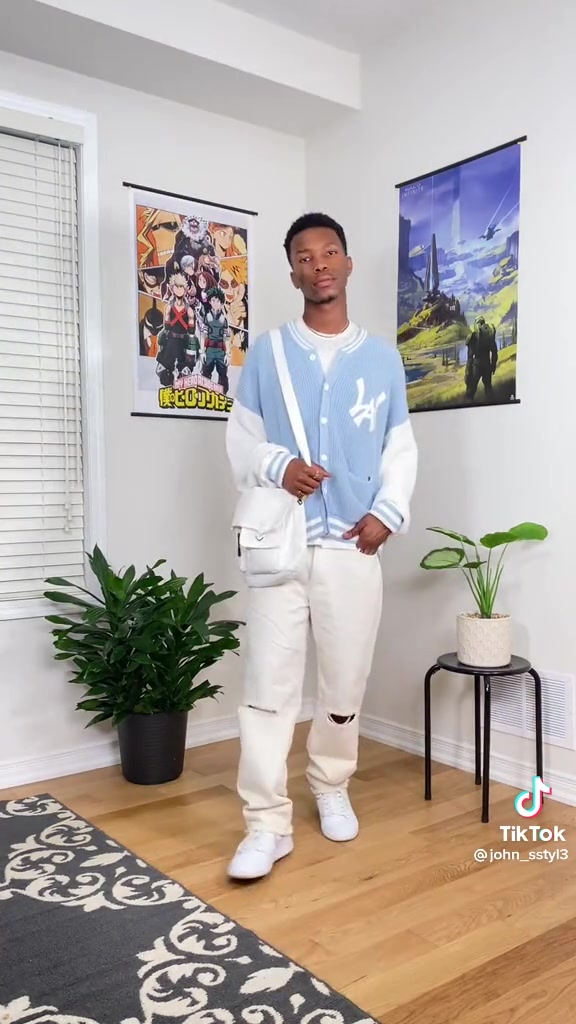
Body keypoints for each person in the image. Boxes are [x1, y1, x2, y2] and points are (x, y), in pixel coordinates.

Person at [224, 213, 418, 881]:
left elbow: (399, 447)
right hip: (281, 548)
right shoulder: (269, 353)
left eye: (329, 252)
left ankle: (331, 784)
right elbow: (241, 439)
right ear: (293, 274)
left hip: (352, 547)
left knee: (344, 680)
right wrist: (279, 466)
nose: (319, 265)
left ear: (347, 262)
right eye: (305, 257)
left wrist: (387, 513)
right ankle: (265, 823)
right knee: (267, 689)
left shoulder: (382, 359)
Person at [465, 316, 498, 401]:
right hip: (486, 365)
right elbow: (494, 352)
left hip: (477, 366)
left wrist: (468, 371)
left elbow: (470, 357)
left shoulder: (472, 336)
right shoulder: (489, 335)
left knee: (471, 389)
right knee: (488, 387)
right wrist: (493, 365)